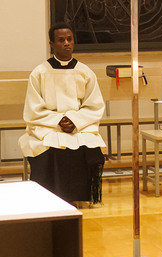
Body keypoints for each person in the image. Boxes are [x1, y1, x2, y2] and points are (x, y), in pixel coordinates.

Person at [20, 21, 106, 204]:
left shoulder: (85, 72)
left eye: (69, 39)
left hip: (78, 125)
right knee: (48, 147)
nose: (66, 43)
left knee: (86, 145)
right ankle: (47, 197)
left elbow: (94, 105)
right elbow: (34, 109)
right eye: (61, 40)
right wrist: (59, 120)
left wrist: (74, 120)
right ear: (52, 44)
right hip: (48, 125)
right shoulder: (39, 73)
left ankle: (77, 196)